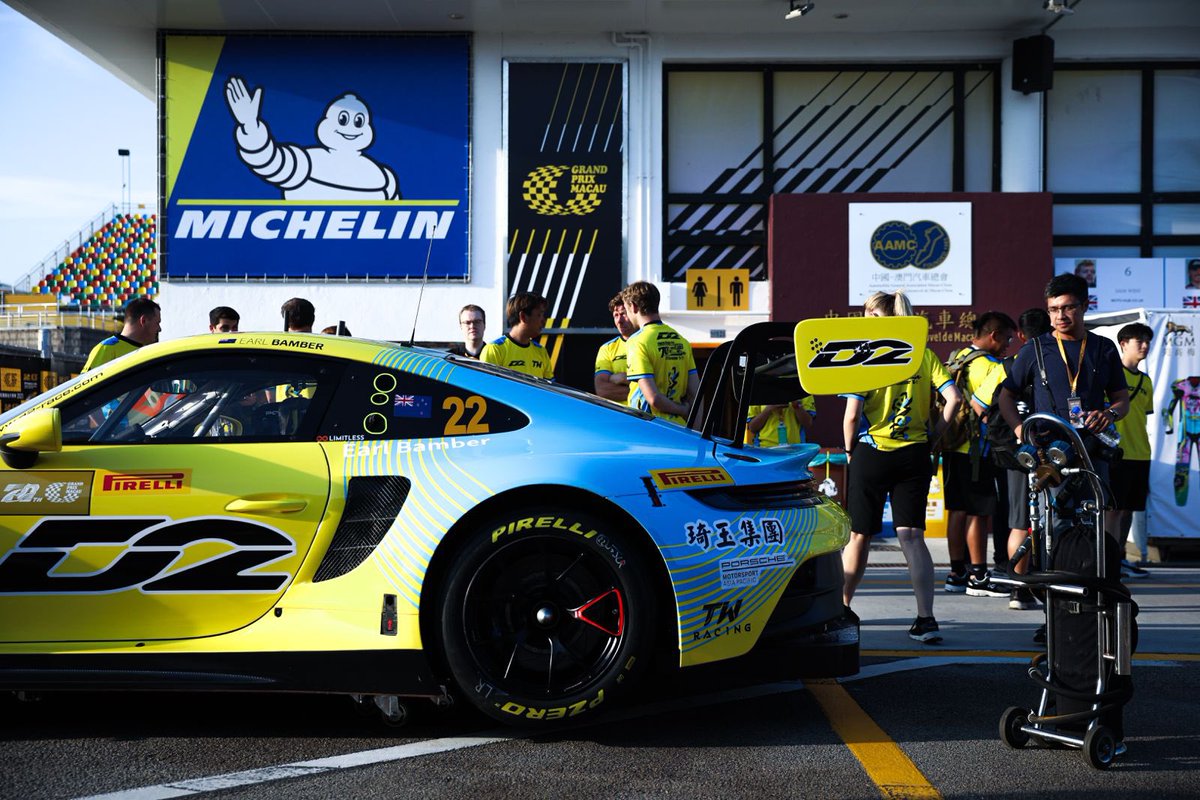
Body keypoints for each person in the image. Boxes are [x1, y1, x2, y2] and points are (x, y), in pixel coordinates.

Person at [997, 274, 1130, 639]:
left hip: (1092, 457)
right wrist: (1020, 428)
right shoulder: (1035, 349)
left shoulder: (1103, 349)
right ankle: (1054, 616)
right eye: (1054, 309)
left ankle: (1095, 610)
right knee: (1052, 535)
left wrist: (1111, 413)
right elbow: (1005, 395)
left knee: (1095, 533)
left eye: (1068, 307)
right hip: (1049, 460)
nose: (1060, 315)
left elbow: (1122, 399)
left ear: (1084, 306)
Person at [840, 290, 961, 644]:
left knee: (859, 535)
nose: (862, 319)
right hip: (915, 454)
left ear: (878, 318)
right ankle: (926, 619)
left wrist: (850, 452)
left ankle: (842, 609)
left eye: (866, 313)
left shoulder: (866, 358)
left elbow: (851, 417)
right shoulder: (924, 354)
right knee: (911, 536)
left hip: (872, 452)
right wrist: (935, 434)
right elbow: (953, 398)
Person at [942, 311, 1016, 599]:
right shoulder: (991, 365)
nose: (1008, 345)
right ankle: (978, 575)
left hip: (952, 446)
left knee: (957, 510)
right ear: (993, 335)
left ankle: (956, 572)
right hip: (976, 450)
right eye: (1007, 338)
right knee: (978, 513)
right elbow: (982, 407)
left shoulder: (957, 357)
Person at [1000, 308, 1052, 612]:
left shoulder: (1008, 363)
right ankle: (1035, 586)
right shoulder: (1053, 360)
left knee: (1020, 521)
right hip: (1052, 449)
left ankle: (1017, 590)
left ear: (1020, 334)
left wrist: (1019, 430)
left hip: (1019, 453)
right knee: (1052, 522)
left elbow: (985, 404)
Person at [1105, 323, 1154, 580]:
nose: (1144, 346)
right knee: (1111, 509)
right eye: (1139, 341)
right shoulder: (1111, 377)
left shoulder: (1146, 381)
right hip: (1116, 453)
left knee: (1127, 511)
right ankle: (1107, 559)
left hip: (1140, 453)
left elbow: (1143, 416)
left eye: (1147, 341)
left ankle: (1120, 558)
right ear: (1123, 344)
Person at [622, 281, 698, 425]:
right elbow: (696, 395)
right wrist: (695, 433)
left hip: (650, 430)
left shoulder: (637, 341)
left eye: (626, 310)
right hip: (680, 430)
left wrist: (682, 410)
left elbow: (654, 398)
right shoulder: (682, 341)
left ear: (633, 306)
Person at [480, 293, 555, 380]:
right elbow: (487, 387)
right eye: (539, 315)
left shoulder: (541, 351)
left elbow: (550, 389)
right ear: (523, 316)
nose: (544, 320)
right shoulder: (494, 349)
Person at [83, 296, 162, 371]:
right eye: (157, 323)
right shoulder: (106, 348)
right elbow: (85, 383)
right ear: (143, 321)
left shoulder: (148, 352)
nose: (159, 329)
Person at [594, 293, 636, 402]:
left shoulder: (648, 342)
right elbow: (602, 390)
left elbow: (661, 384)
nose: (619, 321)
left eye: (623, 314)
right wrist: (644, 389)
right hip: (622, 416)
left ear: (634, 313)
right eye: (616, 315)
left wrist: (624, 378)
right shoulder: (607, 348)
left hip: (647, 417)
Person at [746, 397, 816, 446]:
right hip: (765, 449)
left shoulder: (800, 388)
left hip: (795, 449)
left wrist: (797, 405)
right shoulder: (758, 389)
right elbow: (752, 428)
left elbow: (808, 423)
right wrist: (768, 409)